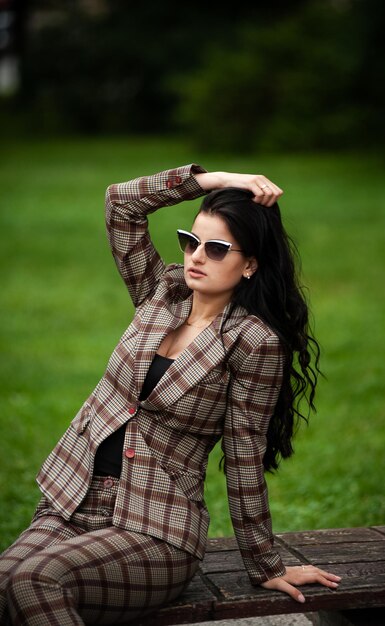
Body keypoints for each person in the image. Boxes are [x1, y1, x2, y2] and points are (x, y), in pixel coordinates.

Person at [0, 164, 341, 625]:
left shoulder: (252, 341)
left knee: (34, 582)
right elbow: (120, 204)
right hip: (74, 500)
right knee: (6, 585)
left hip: (155, 528)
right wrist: (213, 180)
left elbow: (244, 456)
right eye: (191, 240)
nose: (197, 256)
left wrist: (266, 565)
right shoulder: (162, 291)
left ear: (250, 264)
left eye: (217, 248)